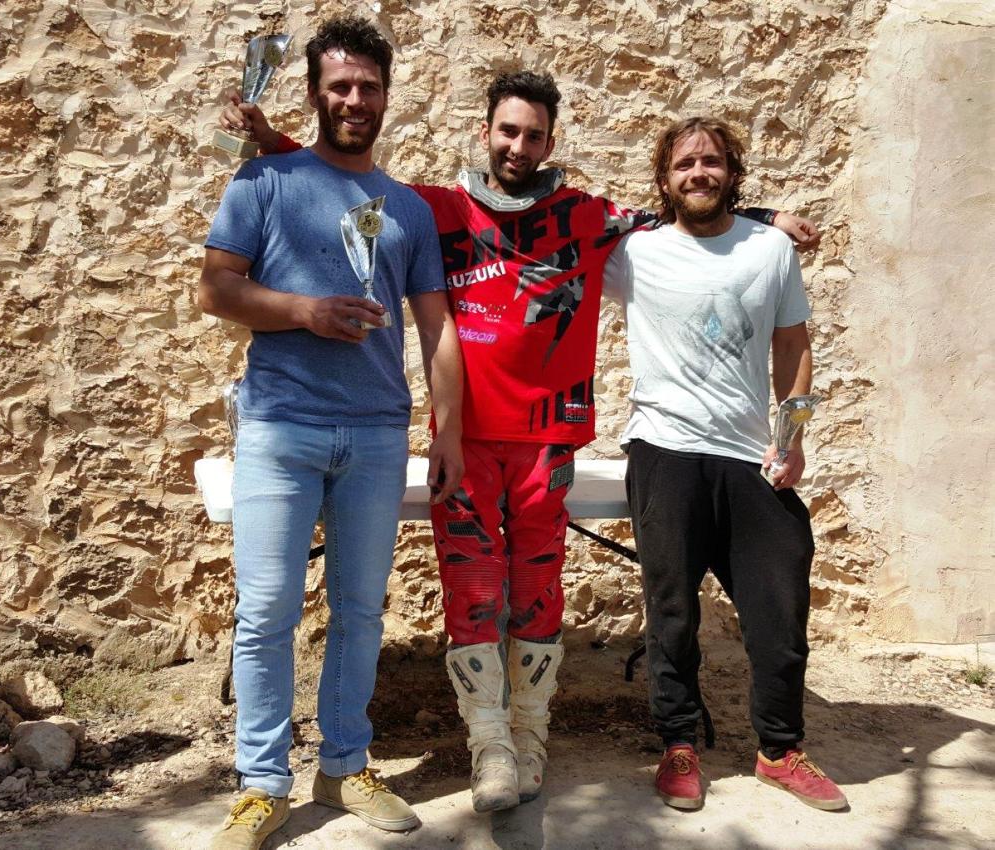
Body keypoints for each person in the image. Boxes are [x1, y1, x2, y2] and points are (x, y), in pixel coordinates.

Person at [225, 72, 819, 813]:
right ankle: (490, 749)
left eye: (533, 135)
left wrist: (768, 216)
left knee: (537, 594)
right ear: (486, 133)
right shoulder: (436, 208)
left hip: (549, 442)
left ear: (549, 142)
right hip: (464, 443)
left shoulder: (586, 216)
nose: (518, 146)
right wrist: (276, 142)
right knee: (473, 594)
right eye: (507, 131)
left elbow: (682, 213)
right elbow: (349, 184)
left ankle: (530, 738)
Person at [199, 17, 463, 850]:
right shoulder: (263, 181)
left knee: (358, 612)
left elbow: (437, 326)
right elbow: (214, 290)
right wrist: (304, 311)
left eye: (368, 87)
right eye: (339, 86)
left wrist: (447, 432)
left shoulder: (408, 208)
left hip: (378, 436)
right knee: (266, 610)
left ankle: (345, 765)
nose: (354, 99)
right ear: (314, 93)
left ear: (386, 95)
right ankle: (261, 784)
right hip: (279, 427)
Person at [604, 117, 847, 812]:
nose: (698, 173)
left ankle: (779, 751)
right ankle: (678, 745)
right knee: (672, 611)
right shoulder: (635, 252)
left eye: (711, 161)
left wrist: (792, 437)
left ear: (732, 173)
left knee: (779, 603)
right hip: (663, 449)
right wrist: (771, 210)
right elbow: (559, 230)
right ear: (664, 179)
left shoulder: (769, 250)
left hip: (748, 453)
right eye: (684, 164)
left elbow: (792, 344)